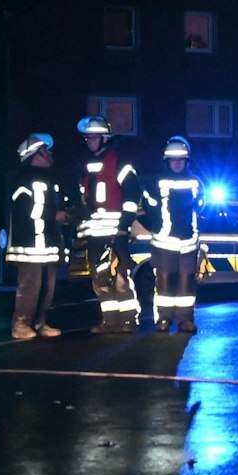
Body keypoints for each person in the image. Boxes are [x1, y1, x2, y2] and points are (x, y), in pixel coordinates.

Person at [75, 115, 144, 333]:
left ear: (105, 138)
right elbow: (85, 201)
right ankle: (110, 320)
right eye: (88, 138)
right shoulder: (87, 166)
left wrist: (124, 225)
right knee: (100, 279)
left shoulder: (119, 163)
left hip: (116, 233)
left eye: (94, 137)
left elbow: (132, 195)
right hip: (95, 233)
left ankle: (129, 319)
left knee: (121, 277)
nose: (90, 142)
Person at [7, 133, 72, 339]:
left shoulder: (48, 179)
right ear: (35, 155)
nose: (50, 153)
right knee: (30, 286)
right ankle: (21, 324)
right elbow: (24, 209)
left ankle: (39, 322)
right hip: (30, 245)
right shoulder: (23, 180)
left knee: (47, 287)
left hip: (47, 244)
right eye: (45, 150)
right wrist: (54, 215)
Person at [142, 136, 202, 334]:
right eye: (173, 159)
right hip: (164, 242)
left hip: (189, 242)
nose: (177, 163)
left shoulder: (196, 183)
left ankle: (185, 319)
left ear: (187, 161)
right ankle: (164, 319)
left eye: (181, 159)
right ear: (166, 161)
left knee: (187, 283)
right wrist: (157, 227)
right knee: (164, 282)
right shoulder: (156, 183)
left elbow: (203, 208)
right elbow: (148, 207)